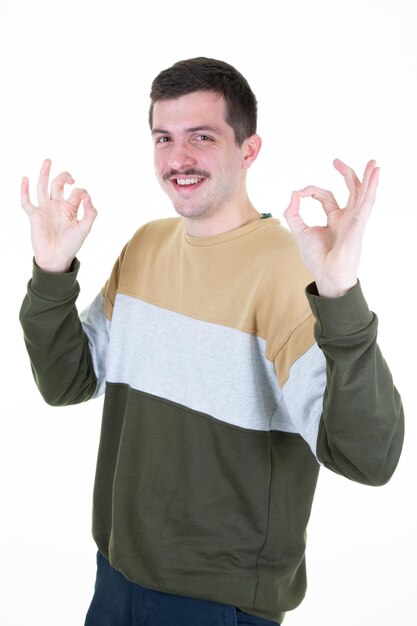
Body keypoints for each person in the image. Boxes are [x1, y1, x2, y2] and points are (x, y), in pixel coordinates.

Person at [19, 57, 404, 626]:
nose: (178, 159)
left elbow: (369, 458)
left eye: (202, 137)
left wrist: (339, 291)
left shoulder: (290, 271)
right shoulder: (147, 245)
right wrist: (52, 274)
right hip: (114, 578)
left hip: (217, 605)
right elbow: (67, 382)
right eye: (164, 138)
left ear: (248, 151)